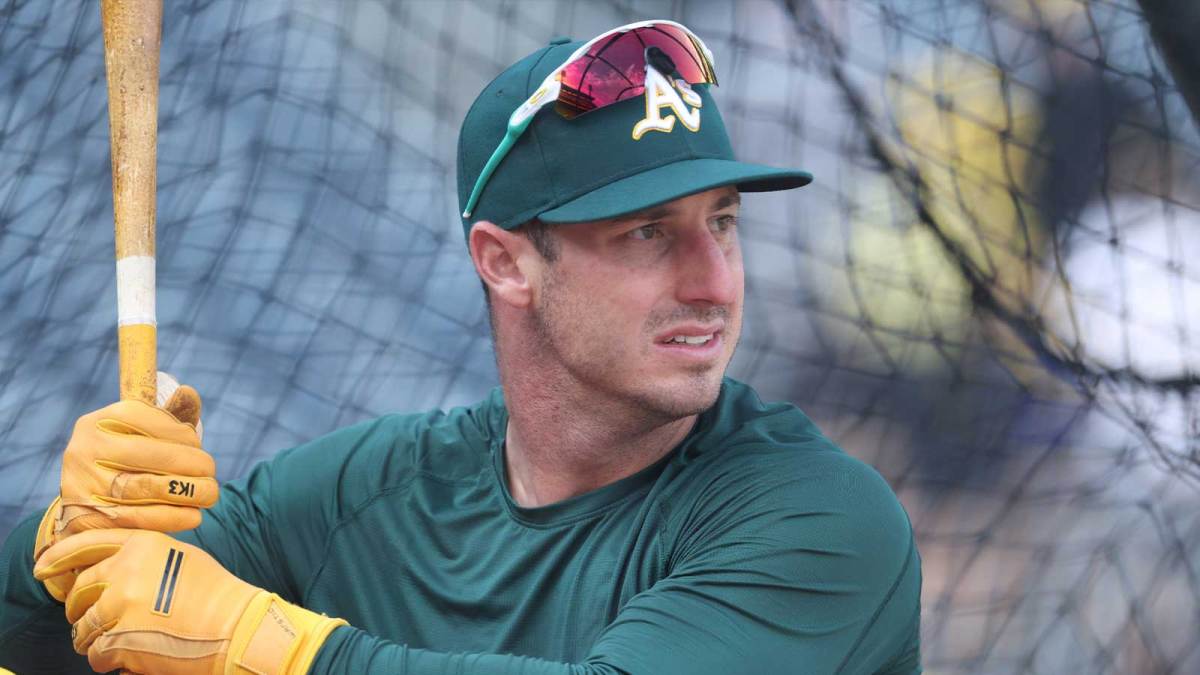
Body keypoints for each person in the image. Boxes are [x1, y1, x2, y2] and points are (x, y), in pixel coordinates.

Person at [0, 21, 921, 674]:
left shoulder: (820, 518)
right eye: (647, 232)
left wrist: (275, 648)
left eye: (722, 223)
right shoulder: (367, 494)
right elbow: (42, 638)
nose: (715, 280)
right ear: (505, 261)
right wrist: (72, 537)